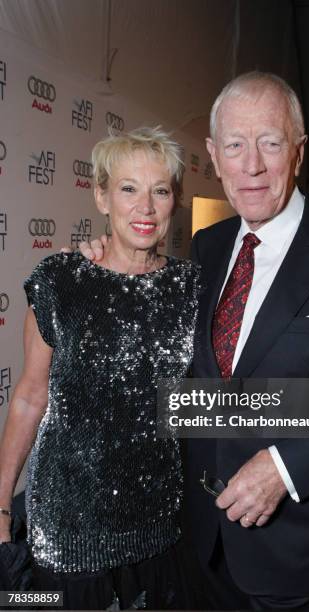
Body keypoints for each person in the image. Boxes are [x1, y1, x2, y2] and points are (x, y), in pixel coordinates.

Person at [78, 72, 309, 610]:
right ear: (213, 153)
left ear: (299, 151)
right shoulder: (207, 247)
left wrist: (284, 466)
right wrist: (105, 267)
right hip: (196, 535)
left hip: (293, 545)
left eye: (270, 143)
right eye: (234, 145)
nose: (251, 165)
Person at [0, 127, 200, 610]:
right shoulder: (60, 281)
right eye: (128, 188)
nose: (145, 208)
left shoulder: (193, 287)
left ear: (175, 200)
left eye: (160, 190)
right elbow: (30, 396)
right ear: (101, 196)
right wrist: (2, 504)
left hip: (159, 523)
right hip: (69, 527)